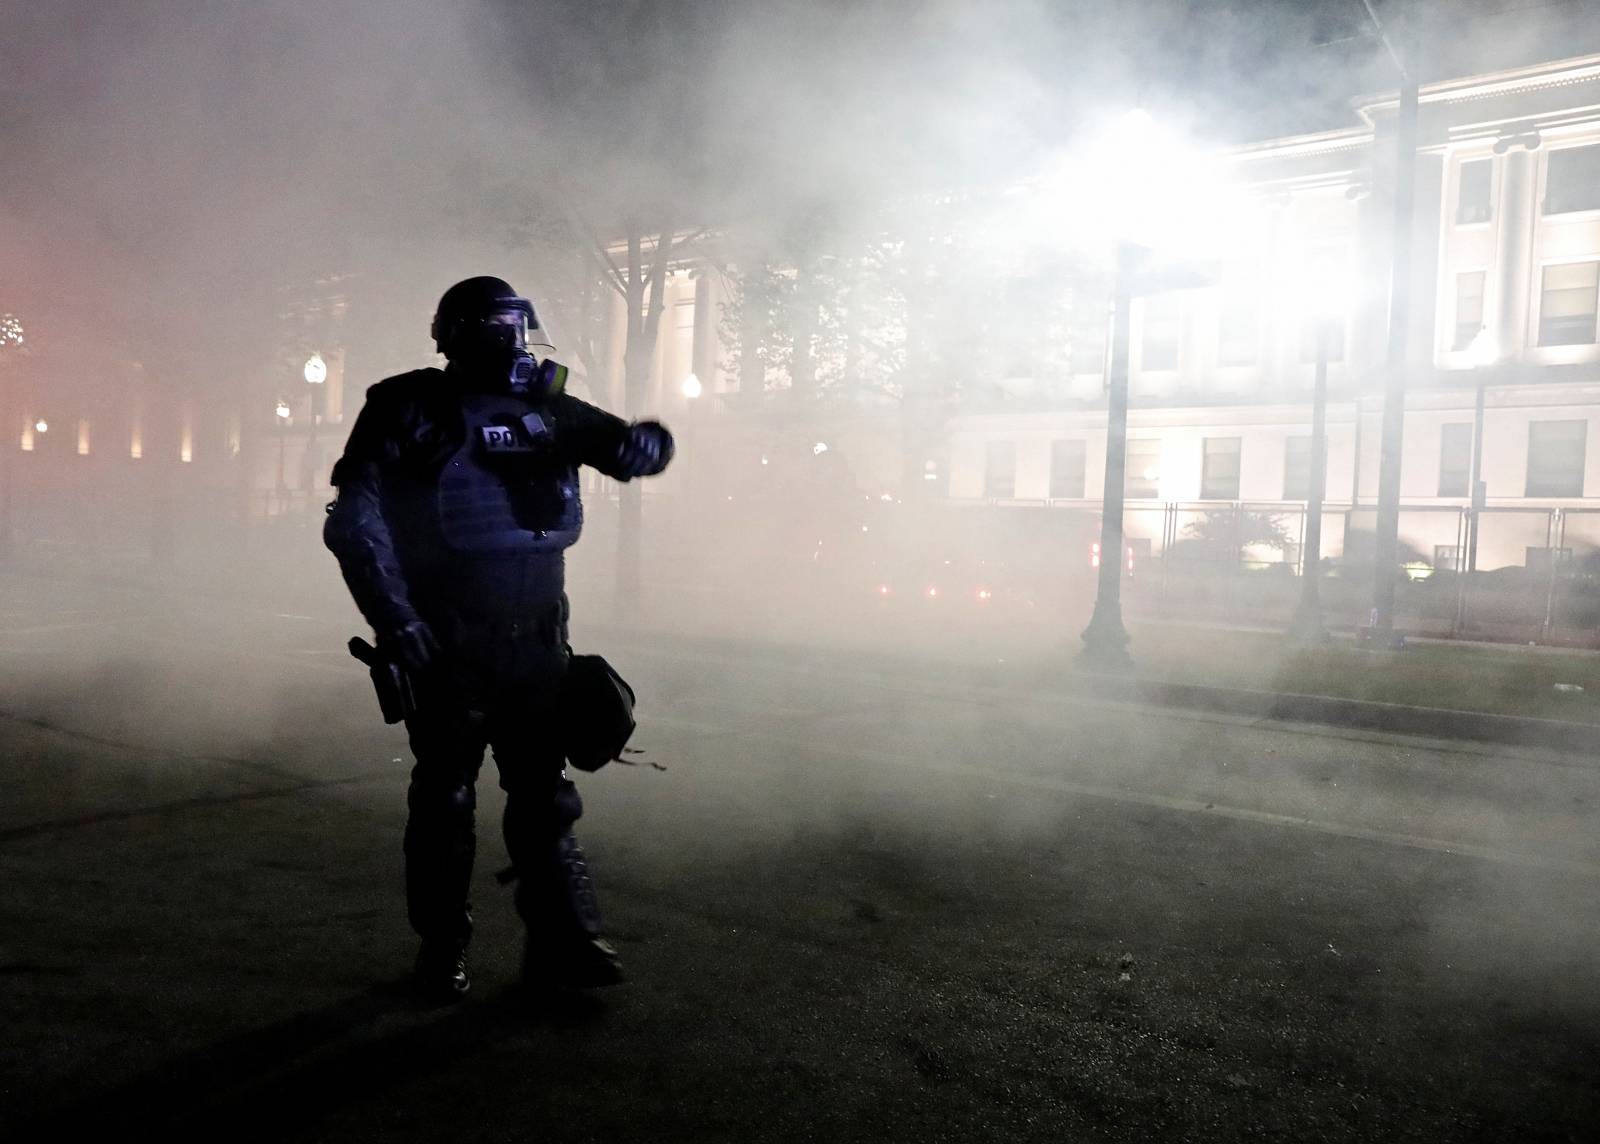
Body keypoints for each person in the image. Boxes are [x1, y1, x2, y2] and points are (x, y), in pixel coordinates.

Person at [324, 276, 673, 1000]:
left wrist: (648, 443)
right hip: (448, 642)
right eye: (494, 329)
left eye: (514, 329)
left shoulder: (547, 410)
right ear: (456, 335)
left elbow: (626, 446)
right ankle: (443, 947)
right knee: (446, 798)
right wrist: (398, 620)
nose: (509, 345)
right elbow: (355, 521)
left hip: (538, 641)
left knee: (543, 796)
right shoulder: (407, 405)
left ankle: (564, 942)